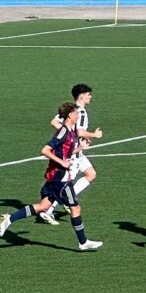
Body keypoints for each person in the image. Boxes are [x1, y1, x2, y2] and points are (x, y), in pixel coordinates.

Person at [0, 102, 103, 251]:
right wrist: (63, 163)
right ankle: (83, 242)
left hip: (56, 177)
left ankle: (8, 219)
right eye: (76, 113)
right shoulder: (63, 132)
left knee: (43, 206)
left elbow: (64, 151)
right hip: (60, 178)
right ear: (70, 115)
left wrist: (80, 148)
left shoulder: (71, 132)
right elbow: (45, 150)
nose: (78, 115)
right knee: (75, 208)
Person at [44, 83, 103, 224]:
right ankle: (49, 210)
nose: (90, 97)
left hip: (77, 152)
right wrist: (94, 135)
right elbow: (80, 132)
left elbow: (54, 122)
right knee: (65, 185)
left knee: (91, 174)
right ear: (82, 96)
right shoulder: (80, 112)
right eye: (88, 94)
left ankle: (66, 201)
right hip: (73, 154)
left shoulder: (70, 108)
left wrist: (66, 134)